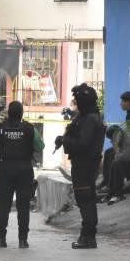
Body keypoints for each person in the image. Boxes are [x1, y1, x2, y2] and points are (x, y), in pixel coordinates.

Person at [0, 101, 44, 249]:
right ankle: (23, 240)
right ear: (21, 114)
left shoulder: (0, 128)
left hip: (5, 168)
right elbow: (40, 146)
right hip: (24, 169)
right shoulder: (29, 128)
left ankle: (0, 240)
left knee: (4, 205)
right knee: (23, 206)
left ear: (9, 113)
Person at [56, 83, 105, 249]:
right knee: (86, 200)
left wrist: (65, 140)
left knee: (85, 201)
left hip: (85, 165)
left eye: (78, 100)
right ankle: (87, 236)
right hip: (84, 164)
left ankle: (88, 237)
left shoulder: (90, 119)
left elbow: (82, 143)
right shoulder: (87, 117)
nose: (76, 102)